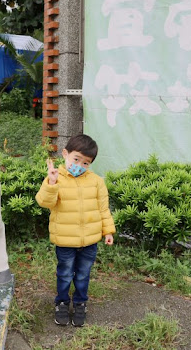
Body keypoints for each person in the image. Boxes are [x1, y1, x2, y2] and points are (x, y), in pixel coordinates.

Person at [35, 134, 116, 327]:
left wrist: (108, 231)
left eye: (86, 163)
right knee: (64, 274)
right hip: (65, 241)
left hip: (89, 241)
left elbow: (103, 209)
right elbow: (44, 202)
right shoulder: (56, 178)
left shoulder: (97, 182)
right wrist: (52, 183)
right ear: (65, 154)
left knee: (82, 275)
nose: (80, 165)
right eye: (76, 159)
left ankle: (80, 303)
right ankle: (62, 303)